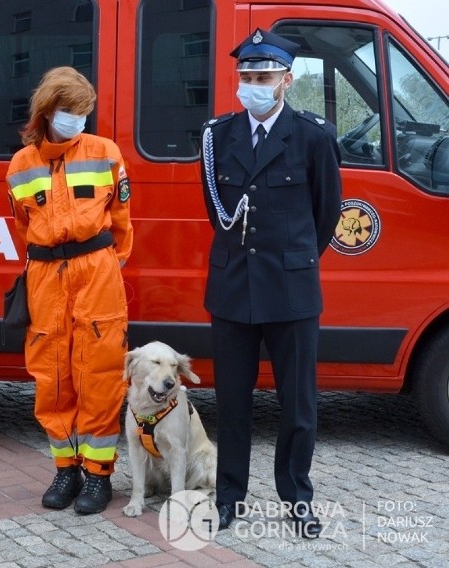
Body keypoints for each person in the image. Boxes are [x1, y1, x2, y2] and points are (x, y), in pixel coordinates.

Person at [200, 29, 342, 537]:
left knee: (298, 406)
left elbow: (325, 217)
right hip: (234, 289)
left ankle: (297, 498)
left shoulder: (315, 136)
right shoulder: (218, 135)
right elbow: (216, 211)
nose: (252, 86)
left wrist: (292, 262)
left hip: (292, 291)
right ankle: (228, 497)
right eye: (246, 77)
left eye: (262, 77)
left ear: (285, 80)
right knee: (232, 404)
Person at [5, 67, 133, 515]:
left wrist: (102, 268)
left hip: (96, 271)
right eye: (70, 111)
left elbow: (121, 221)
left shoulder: (105, 153)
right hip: (45, 275)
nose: (78, 119)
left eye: (83, 111)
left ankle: (98, 476)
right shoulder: (20, 165)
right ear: (46, 112)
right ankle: (66, 468)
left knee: (98, 374)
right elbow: (23, 224)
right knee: (51, 375)